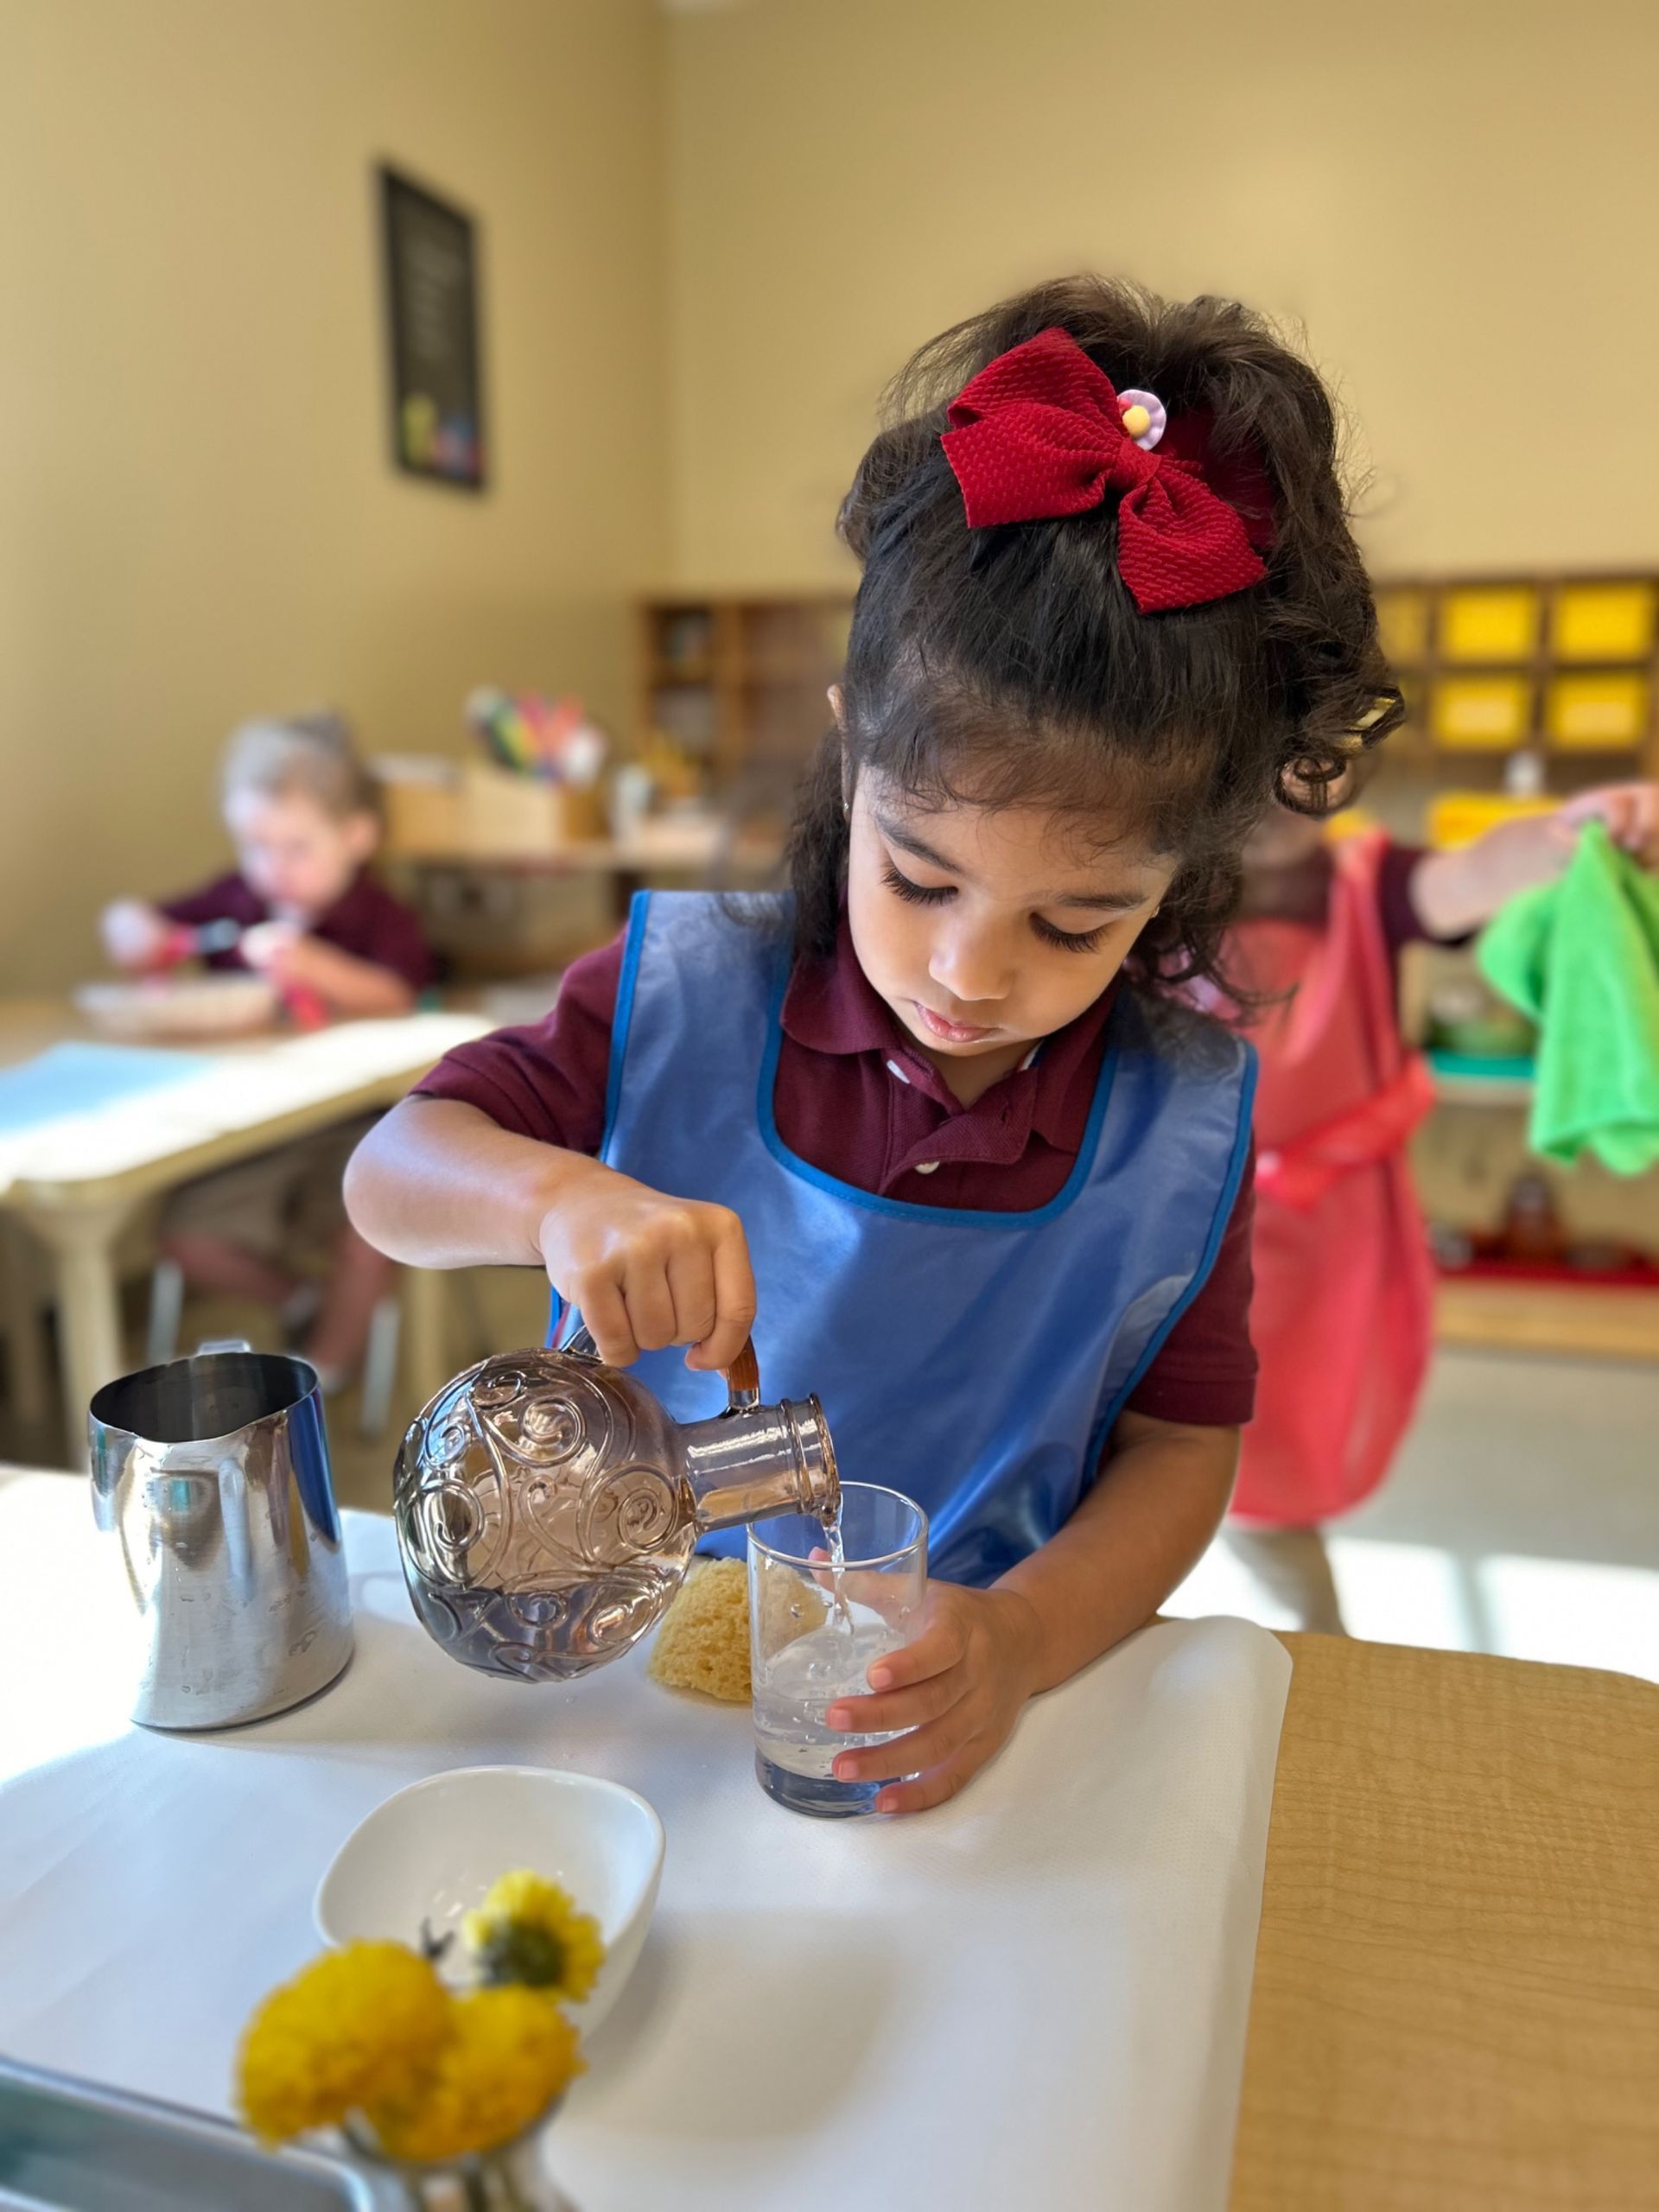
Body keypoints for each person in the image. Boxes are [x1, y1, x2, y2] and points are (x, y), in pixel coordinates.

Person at [346, 276, 1397, 1811]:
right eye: (917, 877)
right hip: (631, 1701)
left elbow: (1184, 1451)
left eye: (1075, 923)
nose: (970, 975)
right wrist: (557, 1198)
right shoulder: (684, 995)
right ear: (852, 755)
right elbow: (391, 1174)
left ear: (1181, 882)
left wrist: (1022, 1638)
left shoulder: (1179, 1123)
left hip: (969, 1711)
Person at [1216, 779, 1659, 1632]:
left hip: (1324, 1240)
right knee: (1146, 1452)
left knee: (1276, 1451)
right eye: (1250, 772)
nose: (1284, 799)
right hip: (1170, 1225)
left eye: (1311, 773)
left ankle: (1313, 1654)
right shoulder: (1138, 893)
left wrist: (1569, 833)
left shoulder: (1367, 886)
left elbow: (1475, 873)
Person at [101, 712, 435, 1386]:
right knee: (184, 1238)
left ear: (356, 836)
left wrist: (315, 965)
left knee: (370, 1236)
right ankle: (299, 1302)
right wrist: (130, 928)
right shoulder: (238, 900)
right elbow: (143, 924)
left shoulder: (378, 914)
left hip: (357, 1124)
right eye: (256, 846)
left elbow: (399, 992)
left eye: (296, 848)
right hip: (254, 1129)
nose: (272, 870)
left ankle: (322, 1376)